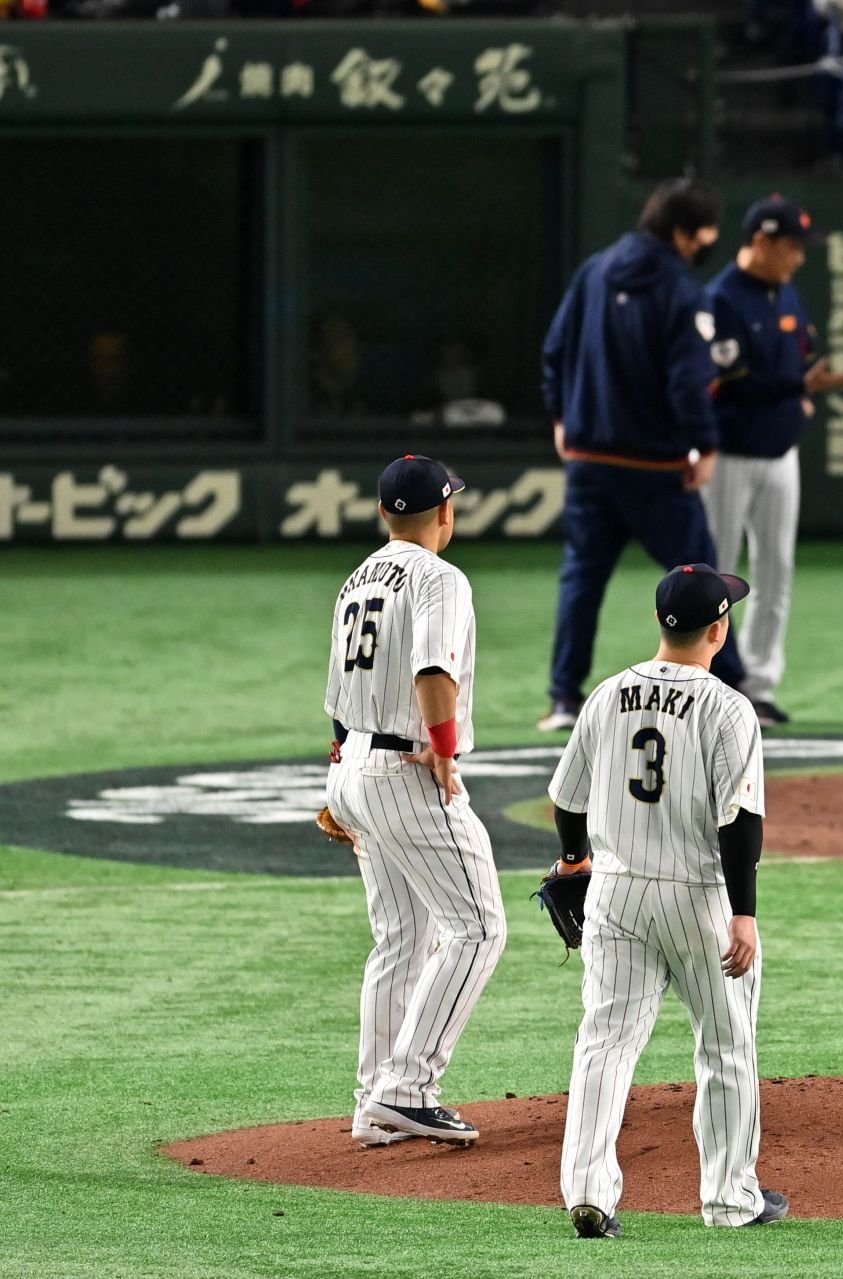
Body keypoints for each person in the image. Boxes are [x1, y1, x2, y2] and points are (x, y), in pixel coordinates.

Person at [549, 563, 788, 1238]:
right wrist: (744, 912)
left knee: (605, 1042)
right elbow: (741, 819)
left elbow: (567, 797)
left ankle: (588, 1193)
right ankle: (729, 1197)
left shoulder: (605, 695)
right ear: (719, 627)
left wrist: (575, 858)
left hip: (617, 896)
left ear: (661, 622)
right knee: (726, 1044)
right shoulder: (728, 707)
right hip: (701, 900)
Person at [323, 454, 506, 1147]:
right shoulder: (441, 578)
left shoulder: (355, 577)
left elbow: (342, 690)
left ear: (383, 514)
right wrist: (445, 747)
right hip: (403, 765)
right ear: (446, 515)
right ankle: (407, 1089)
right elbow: (434, 670)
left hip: (353, 762)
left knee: (401, 936)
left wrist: (343, 780)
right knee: (479, 928)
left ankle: (376, 1100)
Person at [540, 177, 747, 733]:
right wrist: (703, 443)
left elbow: (555, 352)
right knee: (703, 578)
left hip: (588, 457)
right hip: (656, 467)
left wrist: (562, 417)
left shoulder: (594, 271)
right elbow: (687, 381)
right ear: (683, 233)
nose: (709, 243)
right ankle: (730, 689)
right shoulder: (681, 289)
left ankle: (563, 697)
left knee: (582, 577)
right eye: (704, 232)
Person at [703, 196, 843, 728]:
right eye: (791, 247)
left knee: (776, 570)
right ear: (761, 242)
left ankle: (759, 686)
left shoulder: (786, 292)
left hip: (779, 450)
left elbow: (803, 354)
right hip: (729, 454)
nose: (799, 258)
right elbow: (729, 379)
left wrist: (806, 389)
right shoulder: (719, 298)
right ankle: (713, 680)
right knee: (716, 571)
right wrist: (800, 385)